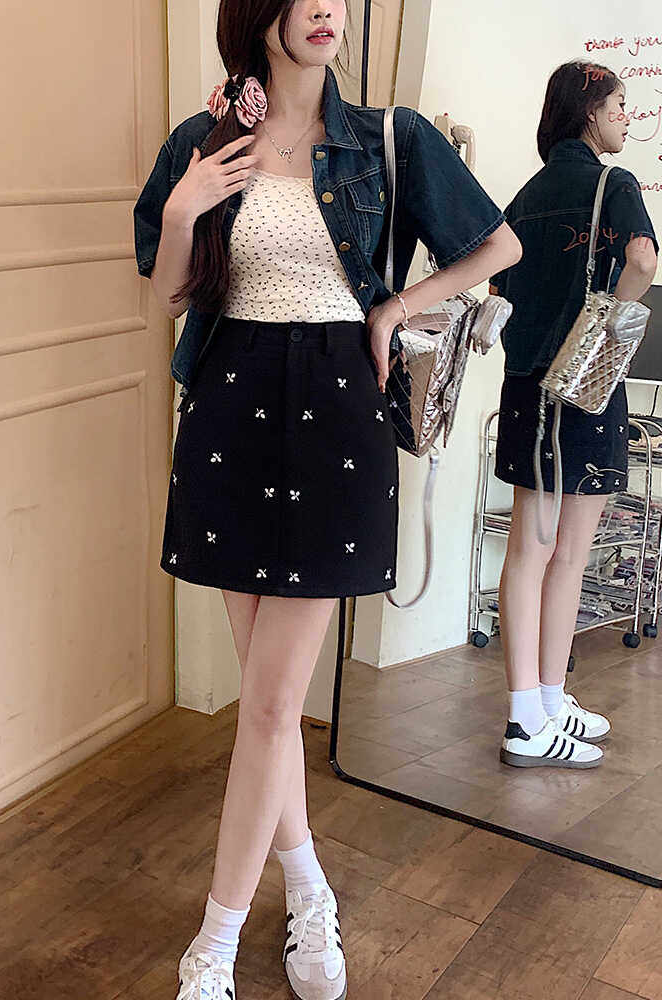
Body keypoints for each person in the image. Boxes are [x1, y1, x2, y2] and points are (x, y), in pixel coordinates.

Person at [134, 2, 520, 997]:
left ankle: (215, 943)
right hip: (228, 409)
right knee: (267, 710)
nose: (323, 9)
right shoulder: (202, 140)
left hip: (337, 416)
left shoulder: (391, 140)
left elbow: (498, 247)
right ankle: (308, 888)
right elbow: (165, 297)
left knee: (267, 705)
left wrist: (395, 306)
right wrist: (181, 210)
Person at [491, 61, 658, 770]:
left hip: (525, 388)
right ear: (590, 111)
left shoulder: (525, 196)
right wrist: (605, 330)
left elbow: (497, 288)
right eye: (619, 104)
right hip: (585, 389)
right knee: (566, 554)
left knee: (529, 550)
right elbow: (643, 260)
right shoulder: (613, 184)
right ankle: (527, 718)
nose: (627, 117)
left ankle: (545, 702)